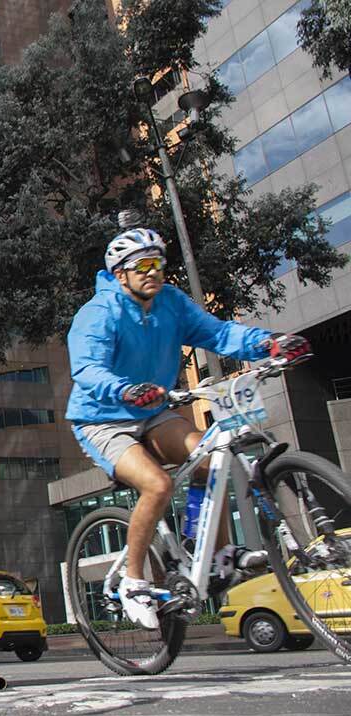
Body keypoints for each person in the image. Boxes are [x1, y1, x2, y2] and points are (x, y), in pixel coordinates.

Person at [66, 228, 311, 630]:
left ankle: (213, 554)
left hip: (153, 410)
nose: (153, 272)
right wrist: (125, 388)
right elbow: (88, 369)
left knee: (210, 459)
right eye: (142, 265)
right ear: (120, 273)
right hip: (102, 418)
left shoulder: (171, 303)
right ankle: (133, 579)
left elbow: (218, 333)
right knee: (157, 486)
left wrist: (270, 343)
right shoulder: (98, 312)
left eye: (158, 263)